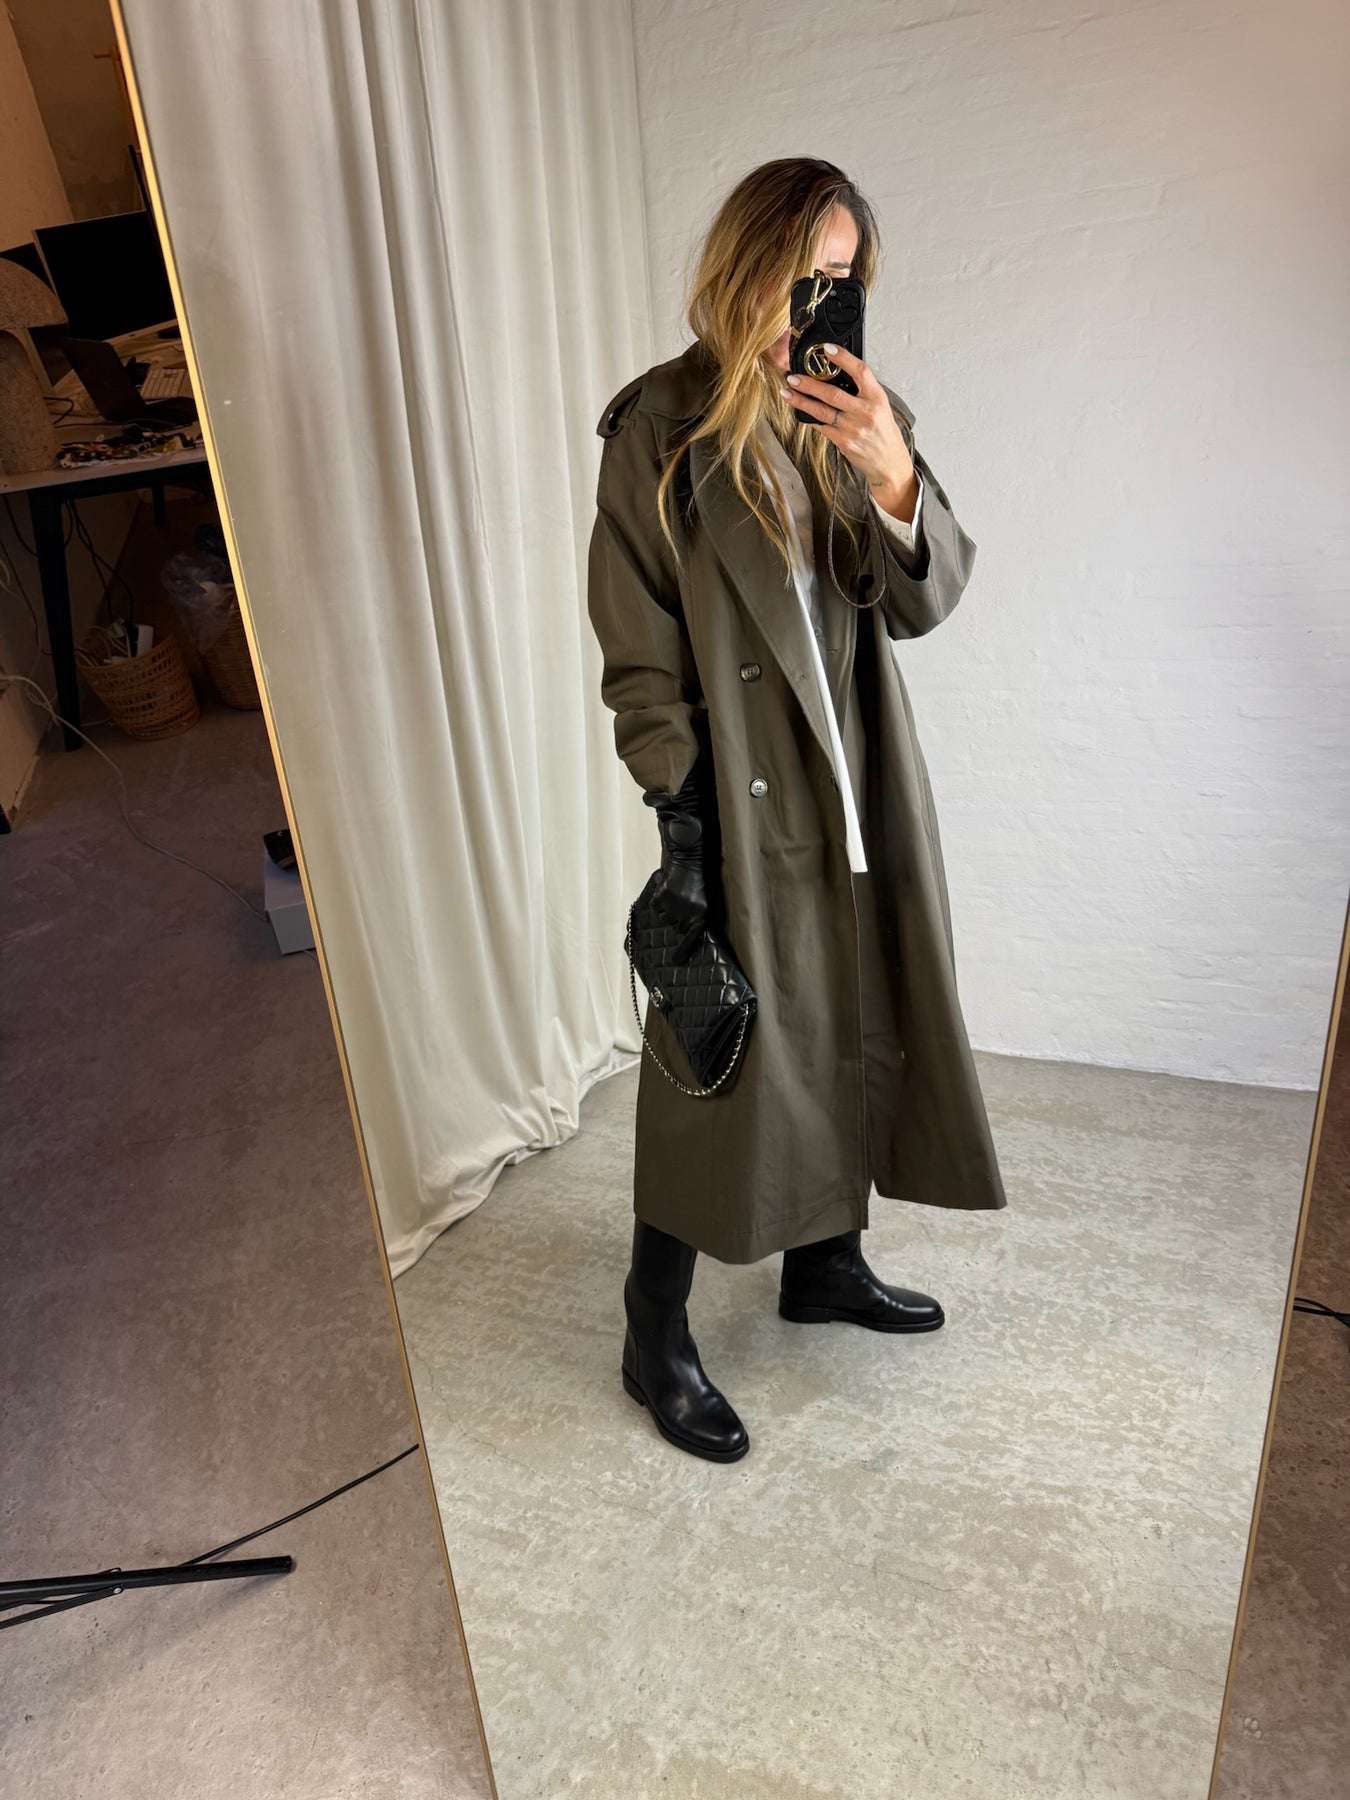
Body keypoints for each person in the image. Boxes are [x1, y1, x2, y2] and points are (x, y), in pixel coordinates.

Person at [586, 157, 1007, 1465]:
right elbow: (637, 648)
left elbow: (927, 601)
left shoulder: (855, 411)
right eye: (795, 273)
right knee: (713, 1058)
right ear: (741, 266)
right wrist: (682, 817)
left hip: (859, 771)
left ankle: (823, 1264)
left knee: (851, 1012)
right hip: (736, 784)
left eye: (838, 279)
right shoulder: (657, 428)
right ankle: (653, 1330)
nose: (814, 302)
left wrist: (891, 474)